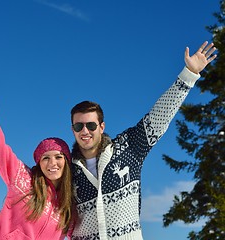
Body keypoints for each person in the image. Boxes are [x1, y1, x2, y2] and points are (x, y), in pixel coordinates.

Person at [69, 41, 217, 239]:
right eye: (79, 126)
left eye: (91, 125)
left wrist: (189, 74)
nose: (85, 131)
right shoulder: (67, 168)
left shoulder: (128, 147)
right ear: (73, 129)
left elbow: (158, 117)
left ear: (102, 127)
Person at [0, 61, 75, 240]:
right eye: (45, 158)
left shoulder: (67, 207)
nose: (52, 163)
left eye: (58, 157)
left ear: (66, 161)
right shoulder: (23, 179)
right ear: (38, 163)